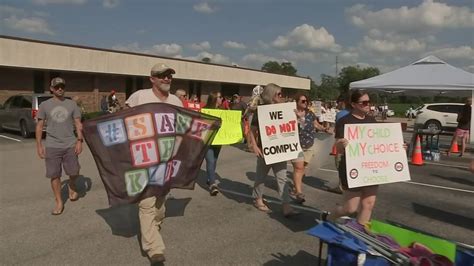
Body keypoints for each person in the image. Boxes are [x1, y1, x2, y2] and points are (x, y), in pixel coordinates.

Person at [125, 63, 183, 265]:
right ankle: (154, 248)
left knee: (160, 200)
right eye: (162, 76)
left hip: (167, 160)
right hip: (144, 159)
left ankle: (154, 226)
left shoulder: (176, 100)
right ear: (152, 78)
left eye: (169, 76)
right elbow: (124, 119)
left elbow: (183, 126)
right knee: (147, 202)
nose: (167, 79)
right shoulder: (139, 96)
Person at [324, 90, 379, 225]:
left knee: (368, 203)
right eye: (364, 103)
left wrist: (397, 148)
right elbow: (338, 147)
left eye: (369, 102)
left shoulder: (372, 120)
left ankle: (361, 233)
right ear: (354, 104)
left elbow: (379, 143)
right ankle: (330, 218)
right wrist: (341, 144)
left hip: (371, 166)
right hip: (352, 167)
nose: (368, 105)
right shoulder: (344, 121)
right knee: (350, 208)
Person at [248, 83, 299, 217]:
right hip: (264, 150)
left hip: (280, 150)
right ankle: (258, 199)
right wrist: (254, 145)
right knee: (260, 177)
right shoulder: (261, 111)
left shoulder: (285, 110)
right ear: (272, 95)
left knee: (282, 178)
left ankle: (286, 206)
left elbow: (291, 128)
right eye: (279, 94)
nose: (282, 96)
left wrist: (295, 116)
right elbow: (252, 130)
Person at [35, 77, 83, 215]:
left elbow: (78, 123)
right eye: (57, 87)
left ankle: (72, 185)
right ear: (51, 89)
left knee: (74, 172)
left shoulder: (72, 104)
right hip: (52, 145)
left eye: (62, 86)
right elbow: (39, 126)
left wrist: (80, 140)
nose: (60, 89)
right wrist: (39, 145)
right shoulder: (45, 105)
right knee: (54, 175)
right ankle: (59, 201)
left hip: (70, 144)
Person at [291, 93, 328, 203]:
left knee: (303, 168)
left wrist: (324, 129)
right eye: (303, 101)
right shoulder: (291, 113)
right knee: (298, 168)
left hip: (309, 144)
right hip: (296, 145)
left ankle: (295, 186)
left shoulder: (310, 113)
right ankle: (299, 192)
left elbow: (316, 124)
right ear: (296, 102)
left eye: (307, 101)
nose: (305, 103)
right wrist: (297, 118)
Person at [203, 91, 224, 196]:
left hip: (218, 141)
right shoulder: (205, 111)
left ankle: (209, 177)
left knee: (214, 161)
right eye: (220, 97)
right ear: (214, 98)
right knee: (210, 161)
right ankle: (212, 184)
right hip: (208, 141)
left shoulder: (222, 111)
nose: (222, 99)